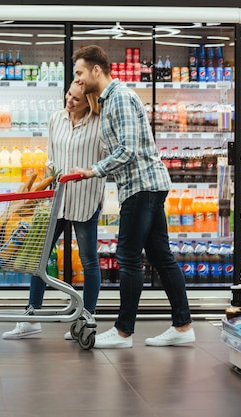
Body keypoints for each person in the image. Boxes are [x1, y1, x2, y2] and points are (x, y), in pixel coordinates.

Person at [71, 45, 195, 348]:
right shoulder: (107, 101)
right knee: (161, 257)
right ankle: (183, 326)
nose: (77, 78)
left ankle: (123, 331)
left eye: (79, 72)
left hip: (142, 186)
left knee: (127, 257)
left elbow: (128, 150)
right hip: (143, 186)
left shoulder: (120, 98)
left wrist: (93, 171)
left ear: (96, 70)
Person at [2, 81, 106, 341]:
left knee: (89, 259)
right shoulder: (56, 119)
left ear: (89, 103)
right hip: (57, 200)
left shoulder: (100, 123)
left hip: (85, 197)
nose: (69, 101)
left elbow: (107, 160)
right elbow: (51, 159)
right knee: (39, 256)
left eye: (76, 99)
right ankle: (32, 317)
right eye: (69, 95)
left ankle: (87, 317)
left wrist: (89, 172)